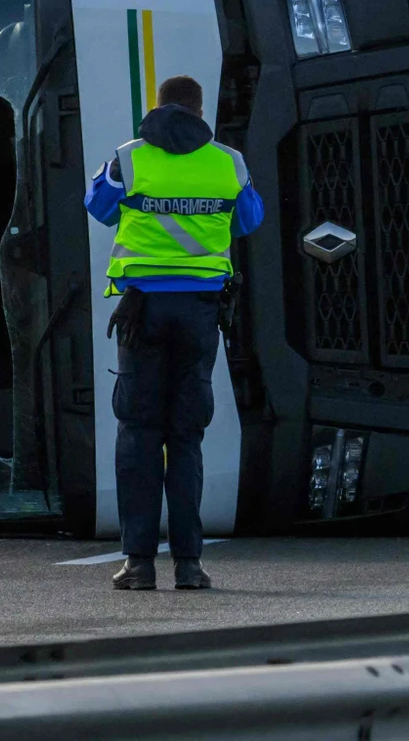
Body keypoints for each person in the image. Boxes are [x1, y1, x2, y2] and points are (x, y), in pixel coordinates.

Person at [84, 75, 260, 592]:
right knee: (186, 438)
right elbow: (249, 219)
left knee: (138, 434)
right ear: (200, 110)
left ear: (158, 107)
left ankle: (138, 564)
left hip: (142, 314)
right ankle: (190, 565)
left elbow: (99, 207)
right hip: (201, 314)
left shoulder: (129, 157)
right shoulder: (228, 162)